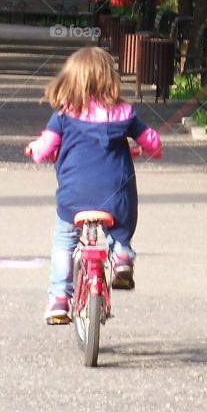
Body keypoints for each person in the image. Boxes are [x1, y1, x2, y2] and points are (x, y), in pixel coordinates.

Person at [24, 46, 162, 324]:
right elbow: (150, 140)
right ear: (110, 80)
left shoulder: (63, 116)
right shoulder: (125, 114)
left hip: (74, 196)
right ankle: (122, 254)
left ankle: (60, 299)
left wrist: (34, 151)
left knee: (64, 239)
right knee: (121, 218)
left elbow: (46, 147)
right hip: (115, 194)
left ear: (71, 80)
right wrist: (152, 149)